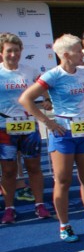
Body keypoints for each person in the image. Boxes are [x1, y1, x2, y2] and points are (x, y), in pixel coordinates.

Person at [19, 34, 84, 242]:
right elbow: (26, 99)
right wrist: (49, 122)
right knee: (62, 180)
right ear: (66, 55)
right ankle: (64, 225)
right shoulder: (53, 75)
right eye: (79, 51)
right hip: (63, 134)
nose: (83, 54)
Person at [0, 33, 50, 223]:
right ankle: (9, 208)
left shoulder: (30, 71)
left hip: (29, 126)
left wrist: (46, 100)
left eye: (17, 50)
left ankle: (39, 205)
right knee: (9, 171)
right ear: (1, 52)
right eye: (9, 51)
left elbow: (44, 89)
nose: (13, 54)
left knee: (34, 167)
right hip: (4, 128)